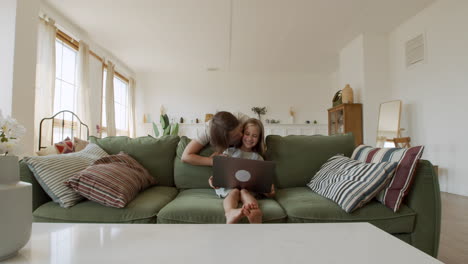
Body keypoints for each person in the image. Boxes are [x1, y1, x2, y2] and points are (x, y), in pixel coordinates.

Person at [208, 118, 275, 224]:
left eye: (254, 136)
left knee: (244, 192)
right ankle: (230, 212)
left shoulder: (258, 158)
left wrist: (269, 190)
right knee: (234, 192)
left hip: (248, 190)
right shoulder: (229, 152)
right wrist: (213, 181)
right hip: (230, 188)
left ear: (259, 139)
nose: (249, 138)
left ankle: (254, 212)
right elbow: (218, 173)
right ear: (241, 133)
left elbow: (263, 181)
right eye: (247, 134)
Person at [181, 111, 249, 166]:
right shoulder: (207, 131)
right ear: (224, 141)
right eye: (235, 136)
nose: (242, 135)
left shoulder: (242, 118)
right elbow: (185, 156)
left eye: (241, 130)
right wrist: (213, 161)